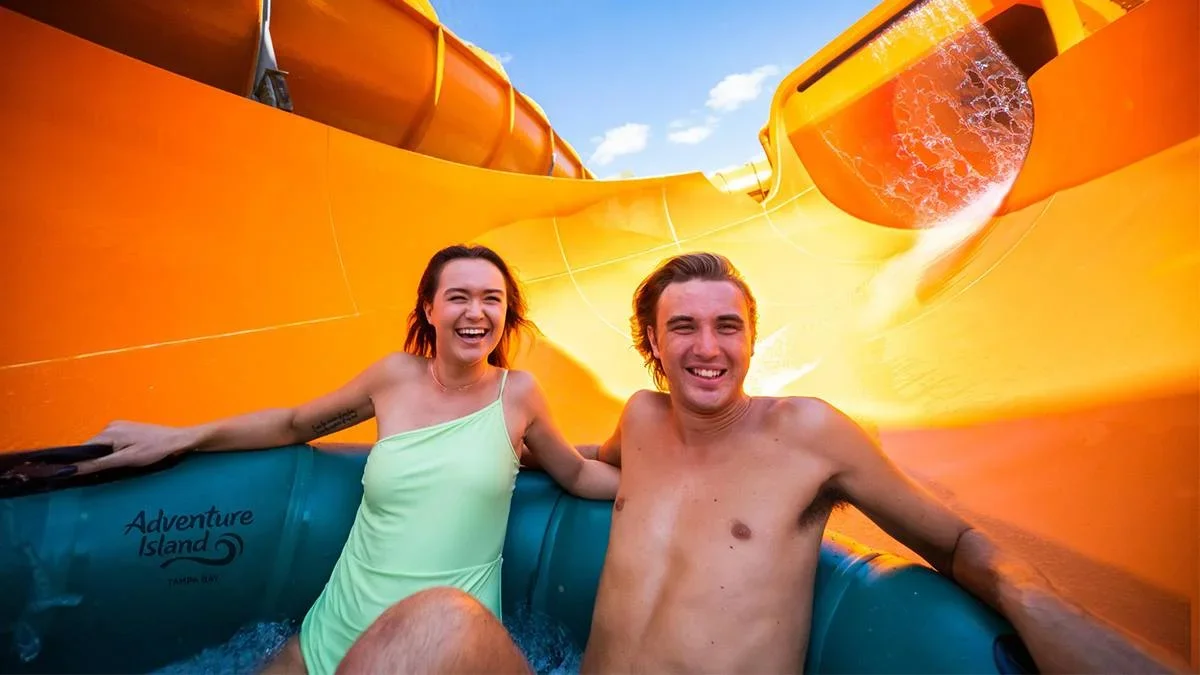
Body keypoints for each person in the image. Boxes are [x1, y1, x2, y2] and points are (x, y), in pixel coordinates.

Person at [319, 251, 1191, 675]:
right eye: (683, 328)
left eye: (726, 325)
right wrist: (474, 449)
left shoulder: (810, 434)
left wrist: (1029, 597)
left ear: (749, 337)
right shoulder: (642, 418)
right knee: (434, 620)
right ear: (653, 347)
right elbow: (589, 463)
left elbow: (957, 541)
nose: (708, 347)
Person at [64, 244, 620, 675]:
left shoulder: (517, 395)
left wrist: (674, 485)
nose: (475, 312)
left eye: (491, 299)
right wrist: (181, 437)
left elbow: (574, 471)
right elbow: (294, 423)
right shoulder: (393, 377)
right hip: (335, 622)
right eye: (458, 296)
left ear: (506, 314)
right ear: (429, 309)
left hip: (441, 641)